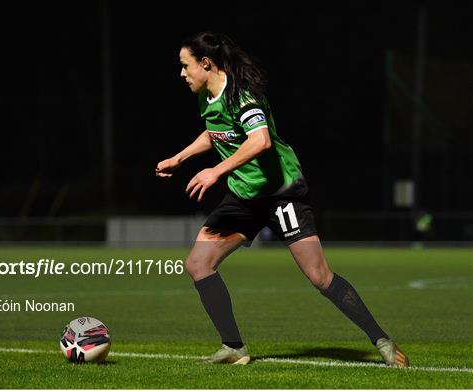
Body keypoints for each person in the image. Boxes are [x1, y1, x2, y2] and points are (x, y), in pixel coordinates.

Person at [156, 32, 409, 367]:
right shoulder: (206, 96)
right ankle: (233, 347)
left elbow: (260, 141)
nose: (182, 73)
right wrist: (181, 157)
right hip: (246, 197)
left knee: (319, 276)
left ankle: (383, 342)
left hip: (281, 192)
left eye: (186, 66)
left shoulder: (242, 96)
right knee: (198, 264)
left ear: (206, 63)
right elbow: (214, 132)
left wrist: (215, 171)